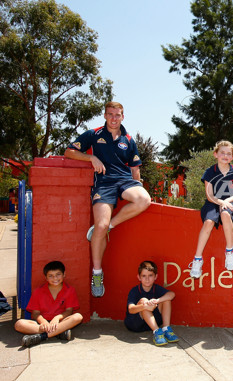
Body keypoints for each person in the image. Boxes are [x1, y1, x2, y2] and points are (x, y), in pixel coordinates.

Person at [65, 101, 151, 298]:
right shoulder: (93, 134)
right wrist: (91, 159)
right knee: (100, 226)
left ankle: (108, 226)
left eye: (117, 115)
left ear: (123, 116)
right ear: (105, 115)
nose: (114, 118)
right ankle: (97, 273)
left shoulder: (128, 139)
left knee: (144, 200)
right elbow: (69, 152)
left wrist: (137, 184)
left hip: (125, 181)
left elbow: (135, 169)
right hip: (103, 184)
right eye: (110, 114)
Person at [189, 141, 233, 277]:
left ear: (232, 157)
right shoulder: (210, 172)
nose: (225, 156)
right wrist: (220, 202)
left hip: (231, 203)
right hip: (213, 202)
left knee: (225, 214)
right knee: (208, 222)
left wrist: (226, 201)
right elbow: (210, 195)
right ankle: (197, 259)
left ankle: (230, 251)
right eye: (222, 153)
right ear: (216, 154)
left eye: (228, 154)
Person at [14, 261, 83, 347]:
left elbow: (69, 311)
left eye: (58, 274)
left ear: (64, 274)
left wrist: (57, 318)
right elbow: (35, 313)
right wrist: (43, 322)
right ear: (46, 277)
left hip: (60, 322)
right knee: (19, 324)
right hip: (42, 323)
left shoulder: (70, 290)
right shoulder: (38, 291)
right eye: (50, 276)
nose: (55, 278)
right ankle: (59, 333)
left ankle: (42, 336)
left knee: (78, 317)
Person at [124, 260, 179, 346]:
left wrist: (157, 300)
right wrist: (144, 306)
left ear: (155, 277)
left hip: (153, 322)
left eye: (150, 275)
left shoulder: (156, 288)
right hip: (136, 324)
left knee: (166, 299)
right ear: (139, 277)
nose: (147, 279)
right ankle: (157, 332)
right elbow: (131, 309)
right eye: (144, 276)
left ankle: (166, 329)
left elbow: (172, 294)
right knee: (144, 300)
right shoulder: (134, 290)